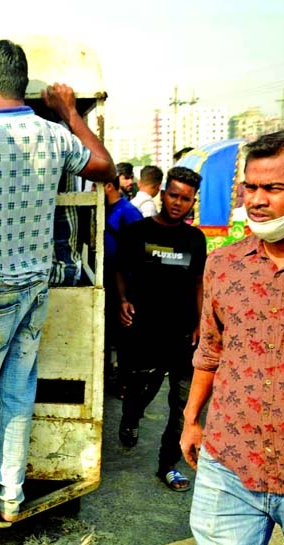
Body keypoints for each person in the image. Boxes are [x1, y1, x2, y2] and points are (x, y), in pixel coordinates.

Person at [0, 39, 116, 532]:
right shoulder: (53, 135)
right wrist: (70, 112)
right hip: (37, 286)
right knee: (19, 395)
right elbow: (105, 167)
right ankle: (12, 498)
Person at [180, 130, 284, 545]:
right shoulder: (224, 264)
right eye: (250, 187)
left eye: (274, 188)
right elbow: (210, 352)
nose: (257, 200)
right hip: (229, 465)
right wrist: (191, 420)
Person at [116, 166, 206, 493]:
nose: (178, 203)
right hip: (144, 331)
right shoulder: (138, 231)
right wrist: (123, 300)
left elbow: (198, 281)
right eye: (173, 195)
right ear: (163, 193)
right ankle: (130, 416)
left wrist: (200, 323)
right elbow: (121, 270)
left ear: (192, 201)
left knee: (181, 405)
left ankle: (168, 465)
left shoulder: (195, 239)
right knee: (142, 389)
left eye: (186, 198)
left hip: (182, 335)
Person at [103, 176, 143, 395]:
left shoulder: (128, 212)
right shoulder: (106, 210)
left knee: (124, 336)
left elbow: (139, 249)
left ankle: (125, 383)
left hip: (125, 283)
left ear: (109, 185)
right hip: (109, 281)